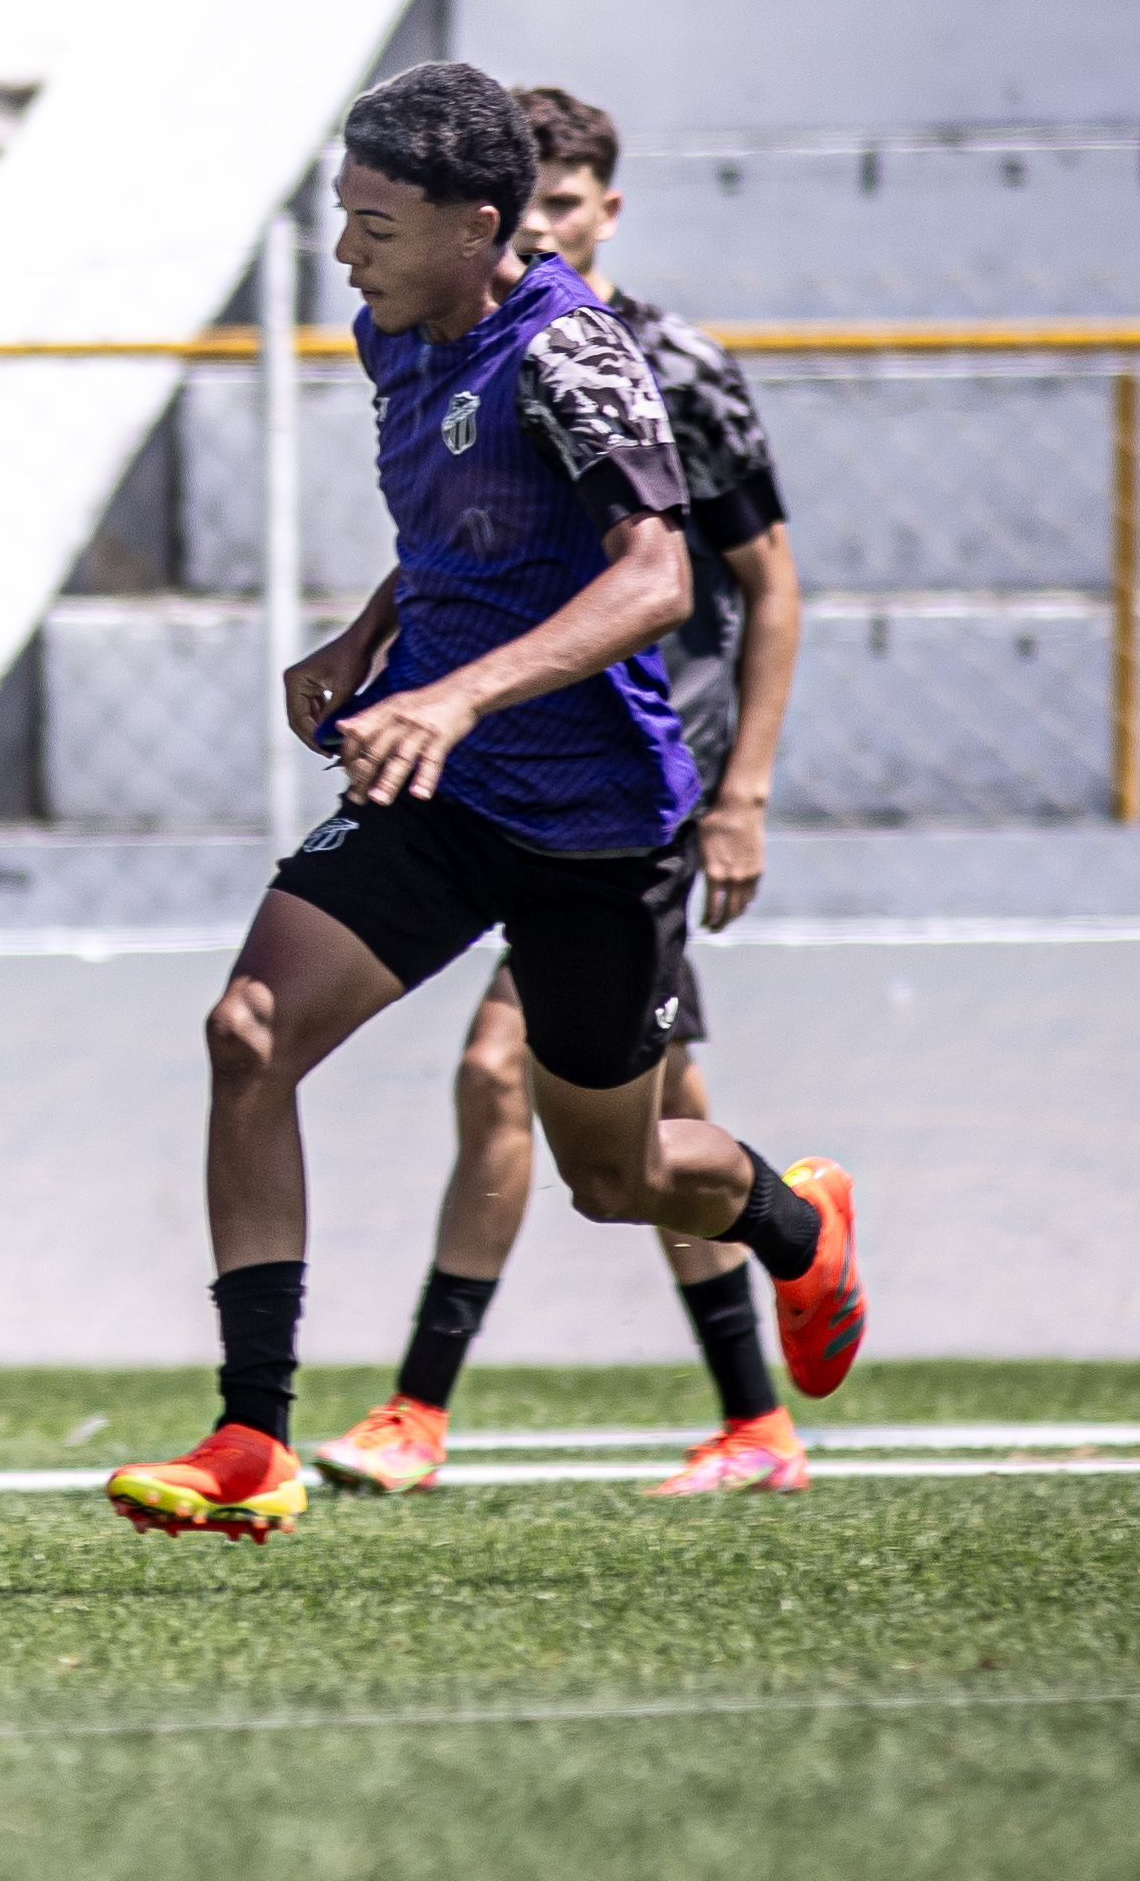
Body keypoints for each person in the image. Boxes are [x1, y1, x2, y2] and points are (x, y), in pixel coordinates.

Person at [105, 64, 860, 1543]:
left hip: (593, 824)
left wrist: (453, 692)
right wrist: (371, 638)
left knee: (615, 1174)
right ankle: (251, 1439)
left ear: (480, 223)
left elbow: (656, 577)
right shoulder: (396, 326)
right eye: (343, 216)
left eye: (374, 224)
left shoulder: (573, 354)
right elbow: (469, 523)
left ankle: (794, 1217)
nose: (345, 251)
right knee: (247, 1033)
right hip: (440, 788)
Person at [312, 84, 815, 1502]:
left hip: (627, 782)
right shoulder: (445, 346)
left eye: (566, 209)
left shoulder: (660, 366)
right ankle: (756, 1412)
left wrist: (745, 790)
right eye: (529, 213)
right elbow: (478, 537)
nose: (544, 232)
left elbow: (754, 584)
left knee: (515, 1085)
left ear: (601, 207)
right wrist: (375, 638)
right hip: (502, 760)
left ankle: (419, 1406)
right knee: (638, 1137)